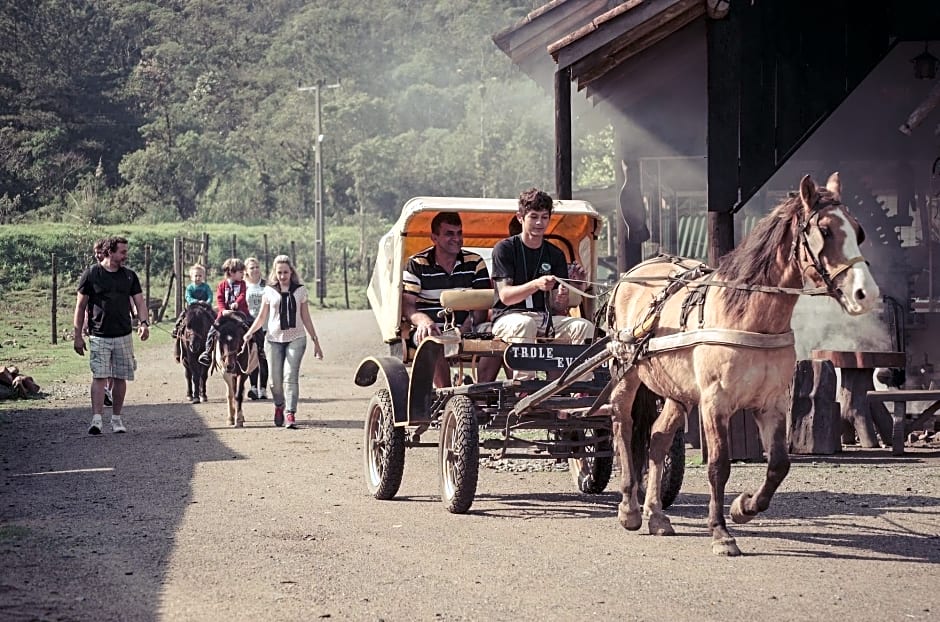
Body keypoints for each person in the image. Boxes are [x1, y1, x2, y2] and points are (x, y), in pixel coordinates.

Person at [487, 188, 593, 380]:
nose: (539, 223)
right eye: (533, 216)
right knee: (524, 323)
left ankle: (579, 387)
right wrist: (536, 284)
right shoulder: (504, 249)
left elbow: (556, 306)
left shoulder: (555, 254)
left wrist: (563, 297)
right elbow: (505, 297)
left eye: (544, 217)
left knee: (583, 326)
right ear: (520, 217)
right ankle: (524, 387)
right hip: (507, 317)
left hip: (544, 318)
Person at [402, 212, 491, 387]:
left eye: (459, 233)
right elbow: (407, 305)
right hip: (432, 329)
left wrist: (465, 327)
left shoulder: (475, 262)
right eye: (449, 233)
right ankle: (445, 393)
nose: (456, 239)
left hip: (468, 327)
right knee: (431, 339)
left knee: (499, 337)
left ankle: (482, 392)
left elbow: (483, 304)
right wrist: (424, 321)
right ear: (434, 238)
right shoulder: (416, 264)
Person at [73, 236, 150, 434]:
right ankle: (96, 420)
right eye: (122, 252)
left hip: (123, 334)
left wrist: (143, 323)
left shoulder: (129, 276)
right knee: (99, 376)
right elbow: (80, 306)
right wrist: (78, 335)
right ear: (110, 252)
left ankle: (116, 419)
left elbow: (140, 302)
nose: (126, 255)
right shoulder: (91, 274)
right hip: (99, 335)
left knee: (120, 376)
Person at [245, 255, 323, 429]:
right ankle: (279, 405)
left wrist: (315, 341)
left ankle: (290, 412)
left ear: (291, 272)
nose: (282, 276)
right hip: (273, 340)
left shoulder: (300, 290)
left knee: (290, 376)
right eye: (279, 272)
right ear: (275, 272)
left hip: (296, 338)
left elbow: (306, 317)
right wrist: (249, 333)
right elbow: (262, 317)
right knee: (274, 381)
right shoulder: (269, 290)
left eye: (286, 272)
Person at [198, 258, 251, 366]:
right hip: (225, 315)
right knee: (213, 329)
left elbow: (242, 295)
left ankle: (260, 349)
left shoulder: (243, 284)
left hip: (240, 313)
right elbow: (220, 299)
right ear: (232, 272)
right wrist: (223, 311)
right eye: (241, 272)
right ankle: (207, 352)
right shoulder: (222, 285)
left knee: (252, 327)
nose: (243, 274)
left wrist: (237, 303)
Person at [244, 256, 269, 400]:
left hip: (266, 327)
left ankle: (263, 388)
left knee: (263, 357)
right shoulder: (243, 286)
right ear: (246, 271)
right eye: (251, 268)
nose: (255, 270)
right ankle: (253, 387)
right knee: (252, 357)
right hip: (250, 327)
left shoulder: (267, 285)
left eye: (257, 267)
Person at [172, 263, 213, 342]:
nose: (198, 278)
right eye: (196, 276)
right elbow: (188, 297)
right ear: (191, 277)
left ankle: (216, 328)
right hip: (192, 307)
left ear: (203, 277)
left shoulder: (206, 287)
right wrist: (195, 301)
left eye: (200, 276)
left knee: (212, 315)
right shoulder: (190, 287)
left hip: (204, 307)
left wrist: (207, 302)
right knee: (183, 314)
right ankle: (176, 328)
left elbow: (210, 295)